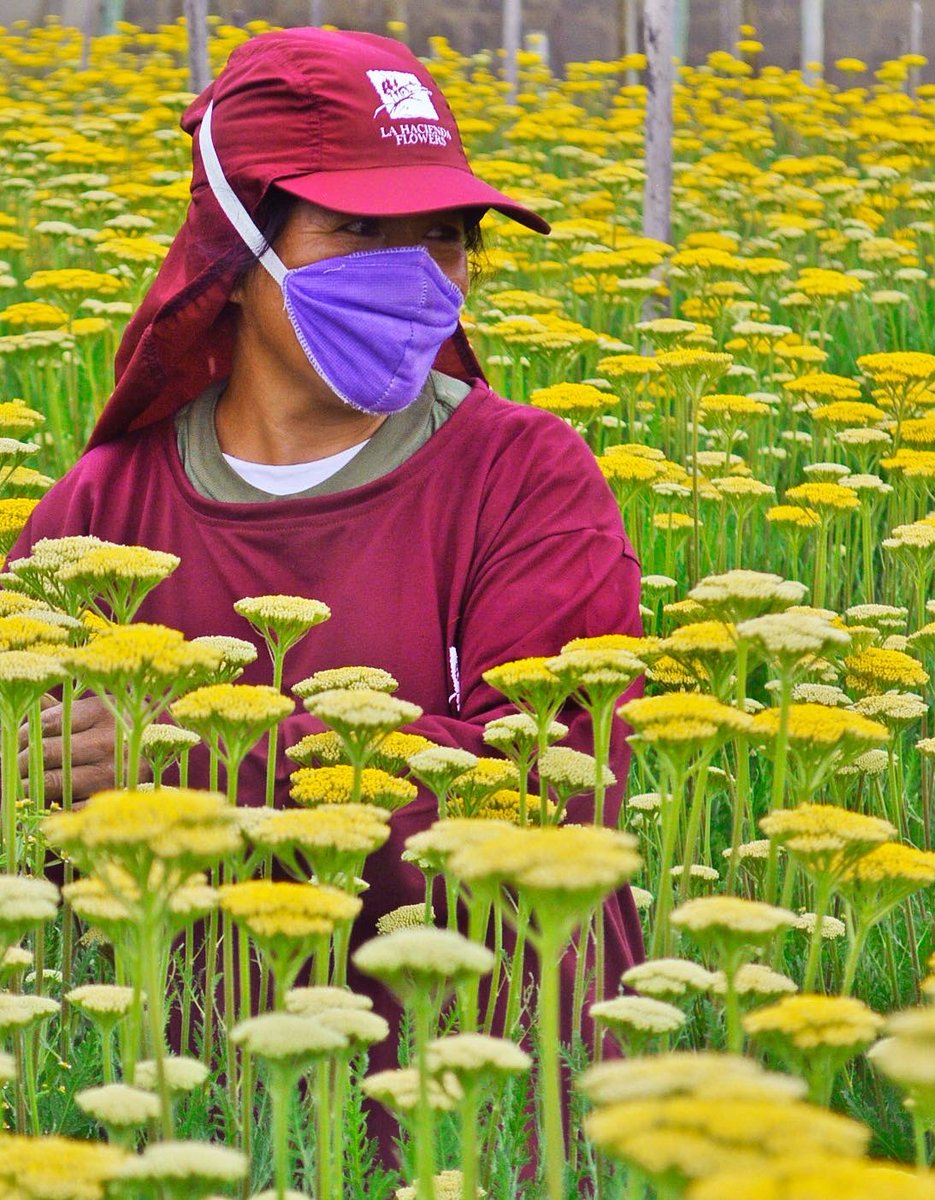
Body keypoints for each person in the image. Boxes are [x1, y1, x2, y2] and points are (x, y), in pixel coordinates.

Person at [10, 26, 645, 1167]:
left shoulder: (527, 477)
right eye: (359, 229)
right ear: (237, 243)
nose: (418, 273)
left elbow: (559, 794)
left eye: (446, 235)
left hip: (480, 1135)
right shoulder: (101, 509)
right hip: (192, 1126)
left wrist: (189, 759)